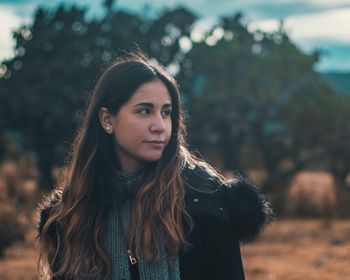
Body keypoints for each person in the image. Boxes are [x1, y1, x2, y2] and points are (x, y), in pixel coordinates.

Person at [37, 51, 273, 280]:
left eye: (166, 112)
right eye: (144, 111)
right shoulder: (69, 216)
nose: (160, 126)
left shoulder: (205, 203)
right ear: (108, 120)